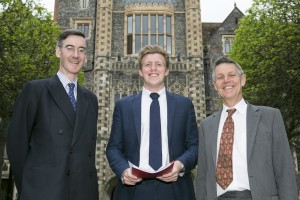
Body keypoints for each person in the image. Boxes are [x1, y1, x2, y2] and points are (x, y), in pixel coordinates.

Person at [7, 29, 99, 200]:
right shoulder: (35, 90)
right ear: (58, 52)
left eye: (81, 50)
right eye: (70, 48)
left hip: (82, 193)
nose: (76, 55)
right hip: (44, 191)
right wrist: (29, 186)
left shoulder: (91, 99)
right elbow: (16, 144)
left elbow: (87, 153)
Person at [196, 56, 298, 200]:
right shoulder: (206, 126)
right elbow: (202, 177)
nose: (226, 80)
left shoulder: (270, 116)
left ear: (243, 79)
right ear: (214, 85)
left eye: (231, 75)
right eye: (220, 77)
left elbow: (284, 170)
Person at [106, 45, 199, 200]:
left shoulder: (184, 105)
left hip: (175, 189)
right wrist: (123, 170)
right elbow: (113, 148)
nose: (153, 68)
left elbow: (194, 147)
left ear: (167, 70)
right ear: (141, 71)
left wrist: (180, 165)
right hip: (134, 191)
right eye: (148, 64)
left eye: (159, 64)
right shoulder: (123, 106)